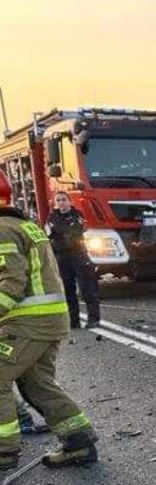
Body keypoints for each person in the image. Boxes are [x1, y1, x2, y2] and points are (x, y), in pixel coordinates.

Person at [0, 173, 97, 469]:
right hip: (48, 320)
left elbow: (10, 282)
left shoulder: (2, 230)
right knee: (37, 383)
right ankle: (78, 442)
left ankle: (4, 452)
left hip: (28, 322)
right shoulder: (24, 224)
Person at [46, 191, 100, 329]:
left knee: (87, 287)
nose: (61, 202)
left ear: (70, 201)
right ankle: (73, 320)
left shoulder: (77, 215)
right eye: (58, 200)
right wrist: (63, 231)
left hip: (78, 254)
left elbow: (76, 230)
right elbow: (50, 233)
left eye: (64, 199)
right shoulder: (52, 217)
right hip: (61, 256)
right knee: (67, 289)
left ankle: (93, 319)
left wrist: (61, 232)